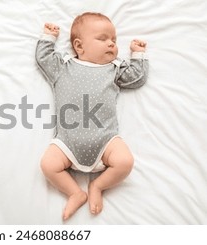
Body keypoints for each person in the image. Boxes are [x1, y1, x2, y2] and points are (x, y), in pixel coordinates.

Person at [36, 12, 149, 220]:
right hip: (67, 143)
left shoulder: (113, 69)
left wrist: (138, 55)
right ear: (79, 46)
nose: (111, 44)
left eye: (114, 40)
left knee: (125, 162)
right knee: (48, 165)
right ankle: (75, 193)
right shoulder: (64, 67)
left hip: (105, 140)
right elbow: (44, 58)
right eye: (103, 39)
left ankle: (98, 185)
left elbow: (137, 78)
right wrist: (48, 38)